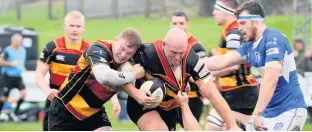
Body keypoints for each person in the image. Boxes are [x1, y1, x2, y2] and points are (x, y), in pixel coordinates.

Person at [203, 1, 307, 130]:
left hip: (289, 111)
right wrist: (192, 63)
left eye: (242, 23)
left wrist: (257, 112)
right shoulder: (249, 47)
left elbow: (271, 79)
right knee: (217, 118)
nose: (239, 28)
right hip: (267, 115)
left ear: (257, 21)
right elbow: (224, 61)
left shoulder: (273, 39)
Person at [126, 28, 241, 131]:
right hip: (142, 104)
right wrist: (136, 92)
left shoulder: (192, 60)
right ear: (164, 45)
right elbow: (118, 71)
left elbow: (212, 93)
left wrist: (233, 126)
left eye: (181, 53)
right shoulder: (146, 53)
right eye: (173, 52)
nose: (177, 57)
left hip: (172, 106)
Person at [48, 28, 156, 131]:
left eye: (129, 53)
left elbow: (121, 81)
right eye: (122, 49)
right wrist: (132, 74)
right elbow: (104, 77)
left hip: (93, 112)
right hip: (65, 109)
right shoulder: (98, 49)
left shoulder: (130, 62)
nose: (123, 55)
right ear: (117, 39)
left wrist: (140, 93)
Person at [35, 11, 120, 130]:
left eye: (78, 26)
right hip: (57, 100)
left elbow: (103, 76)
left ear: (83, 28)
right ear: (65, 26)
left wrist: (114, 100)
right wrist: (47, 91)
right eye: (71, 25)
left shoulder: (91, 50)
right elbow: (39, 74)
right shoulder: (52, 47)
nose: (75, 29)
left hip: (83, 101)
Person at [206, 0, 258, 130]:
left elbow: (232, 65)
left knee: (214, 123)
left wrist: (206, 74)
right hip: (236, 91)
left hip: (240, 91)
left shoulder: (234, 32)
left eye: (217, 9)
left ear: (227, 11)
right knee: (224, 126)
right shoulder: (230, 31)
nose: (213, 13)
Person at [169, 11, 208, 127]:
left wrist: (187, 77)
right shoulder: (167, 45)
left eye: (181, 23)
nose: (178, 26)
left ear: (187, 24)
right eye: (175, 23)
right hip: (172, 98)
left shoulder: (196, 47)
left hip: (192, 98)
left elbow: (206, 72)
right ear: (170, 25)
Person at [0, 34, 26, 122]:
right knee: (4, 97)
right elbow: (1, 62)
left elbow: (21, 62)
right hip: (8, 76)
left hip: (18, 76)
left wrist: (23, 67)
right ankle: (1, 115)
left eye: (21, 40)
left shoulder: (23, 50)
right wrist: (11, 64)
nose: (20, 42)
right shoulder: (8, 50)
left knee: (23, 94)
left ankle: (15, 112)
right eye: (18, 40)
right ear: (13, 41)